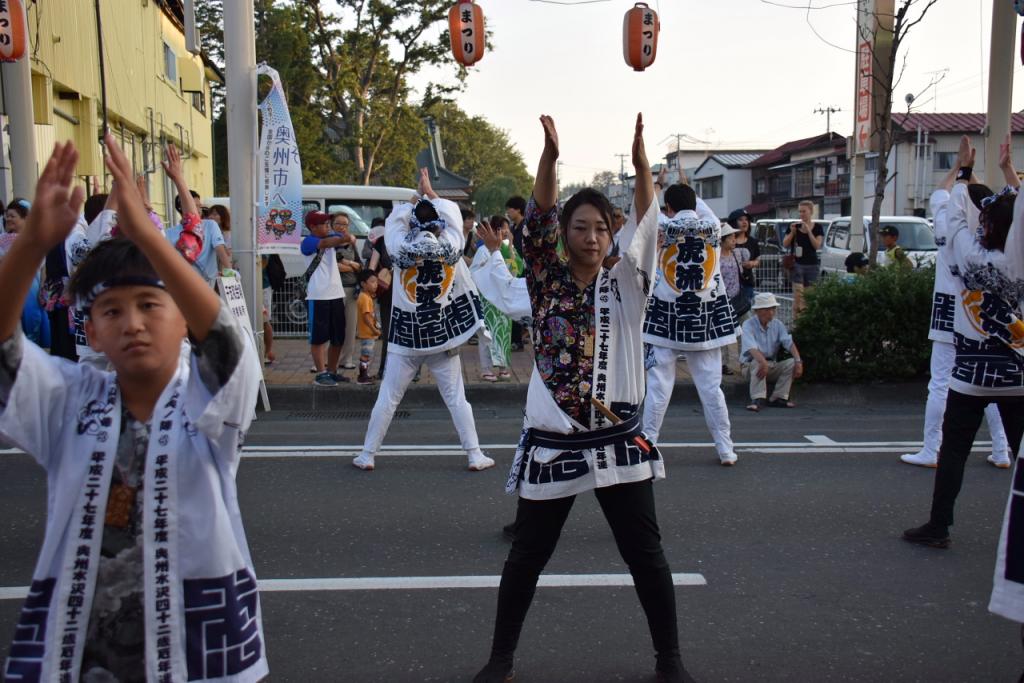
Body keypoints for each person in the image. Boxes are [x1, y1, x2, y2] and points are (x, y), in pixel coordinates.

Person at [0, 137, 267, 682]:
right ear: (91, 331)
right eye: (111, 311)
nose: (134, 323)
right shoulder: (67, 400)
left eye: (150, 305)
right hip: (79, 653)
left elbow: (226, 345)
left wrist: (147, 232)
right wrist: (30, 245)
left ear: (181, 320)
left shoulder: (209, 403)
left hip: (196, 653)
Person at [474, 114, 691, 683]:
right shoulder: (544, 280)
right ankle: (500, 659)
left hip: (620, 442)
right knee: (526, 559)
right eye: (579, 227)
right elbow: (539, 217)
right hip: (555, 442)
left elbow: (648, 224)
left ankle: (670, 661)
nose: (590, 237)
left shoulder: (630, 280)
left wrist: (644, 167)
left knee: (646, 558)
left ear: (610, 232)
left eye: (600, 227)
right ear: (564, 234)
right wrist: (548, 160)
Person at [903, 135, 1024, 549]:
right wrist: (1009, 173)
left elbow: (954, 216)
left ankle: (939, 526)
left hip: (970, 374)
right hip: (1018, 373)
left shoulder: (968, 257)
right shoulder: (1020, 259)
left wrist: (965, 172)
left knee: (953, 452)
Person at [353, 168, 494, 472]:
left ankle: (367, 454)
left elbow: (393, 223)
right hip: (441, 336)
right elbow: (454, 216)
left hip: (406, 338)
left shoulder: (399, 248)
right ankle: (474, 454)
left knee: (388, 397)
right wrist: (431, 195)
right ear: (441, 227)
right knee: (456, 398)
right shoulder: (452, 247)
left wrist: (412, 202)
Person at [900, 146, 1012, 472]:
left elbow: (941, 192)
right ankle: (1002, 450)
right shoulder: (994, 228)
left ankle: (931, 449)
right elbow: (983, 196)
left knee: (940, 382)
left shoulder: (948, 222)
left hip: (949, 308)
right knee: (991, 380)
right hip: (987, 310)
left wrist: (962, 167)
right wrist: (971, 173)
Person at [641, 180, 740, 466]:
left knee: (658, 388)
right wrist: (687, 192)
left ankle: (647, 445)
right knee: (711, 389)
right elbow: (701, 208)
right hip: (704, 321)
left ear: (668, 208)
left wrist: (656, 188)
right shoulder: (712, 226)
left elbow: (646, 210)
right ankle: (726, 449)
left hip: (666, 320)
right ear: (695, 204)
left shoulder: (661, 226)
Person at [163, 146, 231, 287]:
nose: (198, 210)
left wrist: (229, 271)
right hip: (183, 290)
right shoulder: (169, 234)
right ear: (181, 206)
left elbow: (220, 250)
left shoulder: (210, 225)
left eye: (199, 206)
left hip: (208, 289)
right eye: (194, 206)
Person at [471, 216, 522, 381]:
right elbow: (474, 271)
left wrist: (512, 250)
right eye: (502, 229)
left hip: (503, 298)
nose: (505, 232)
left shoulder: (508, 249)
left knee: (503, 333)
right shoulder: (483, 250)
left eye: (507, 228)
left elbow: (518, 271)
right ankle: (486, 368)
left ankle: (502, 366)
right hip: (488, 299)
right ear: (494, 231)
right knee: (487, 334)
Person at [302, 211, 349, 387]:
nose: (328, 226)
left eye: (329, 223)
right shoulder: (308, 242)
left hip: (336, 294)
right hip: (318, 295)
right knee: (318, 337)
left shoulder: (331, 237)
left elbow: (344, 239)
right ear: (312, 227)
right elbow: (328, 242)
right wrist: (341, 236)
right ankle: (321, 373)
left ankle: (332, 371)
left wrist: (341, 235)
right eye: (324, 223)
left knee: (338, 336)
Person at [741, 293, 803, 411]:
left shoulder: (778, 324)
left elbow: (788, 342)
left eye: (773, 308)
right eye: (767, 309)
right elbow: (752, 348)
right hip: (751, 365)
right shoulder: (748, 325)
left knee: (791, 363)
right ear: (757, 311)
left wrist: (798, 361)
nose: (771, 312)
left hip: (771, 364)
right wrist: (762, 362)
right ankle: (758, 398)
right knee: (757, 362)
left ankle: (779, 397)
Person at [331, 211, 363, 372]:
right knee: (332, 326)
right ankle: (322, 362)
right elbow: (331, 266)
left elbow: (359, 265)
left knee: (351, 327)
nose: (341, 227)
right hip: (333, 290)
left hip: (351, 289)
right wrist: (350, 265)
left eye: (345, 224)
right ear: (332, 225)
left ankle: (347, 359)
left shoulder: (351, 243)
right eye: (338, 223)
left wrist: (348, 264)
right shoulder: (327, 242)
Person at [783, 200, 823, 316]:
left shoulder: (818, 227)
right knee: (798, 296)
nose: (801, 214)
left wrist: (809, 230)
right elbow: (785, 243)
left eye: (804, 211)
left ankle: (806, 321)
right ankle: (797, 323)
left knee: (809, 297)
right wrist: (792, 232)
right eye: (799, 211)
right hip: (797, 264)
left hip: (812, 264)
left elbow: (816, 245)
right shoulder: (793, 226)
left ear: (811, 212)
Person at [719, 223, 750, 375]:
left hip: (738, 297)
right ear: (722, 239)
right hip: (722, 299)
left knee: (745, 330)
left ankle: (745, 362)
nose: (734, 240)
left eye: (734, 237)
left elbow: (750, 254)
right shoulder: (715, 254)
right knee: (723, 332)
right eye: (730, 237)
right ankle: (723, 363)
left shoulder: (737, 253)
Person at [367, 217, 393, 380]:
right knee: (402, 331)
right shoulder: (409, 238)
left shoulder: (382, 241)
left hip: (389, 290)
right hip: (403, 291)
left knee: (389, 332)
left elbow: (371, 267)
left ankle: (384, 371)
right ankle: (412, 372)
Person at [728, 208, 760, 302]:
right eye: (741, 220)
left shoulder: (753, 241)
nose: (744, 222)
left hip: (747, 284)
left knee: (747, 313)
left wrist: (753, 263)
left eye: (746, 220)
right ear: (733, 222)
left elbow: (758, 259)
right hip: (729, 284)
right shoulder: (727, 241)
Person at [355, 269, 381, 385]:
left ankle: (364, 375)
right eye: (372, 282)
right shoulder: (365, 298)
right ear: (363, 284)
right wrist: (374, 330)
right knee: (366, 354)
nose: (375, 285)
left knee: (367, 354)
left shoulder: (365, 296)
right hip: (367, 333)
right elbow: (366, 317)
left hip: (367, 332)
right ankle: (362, 376)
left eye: (376, 282)